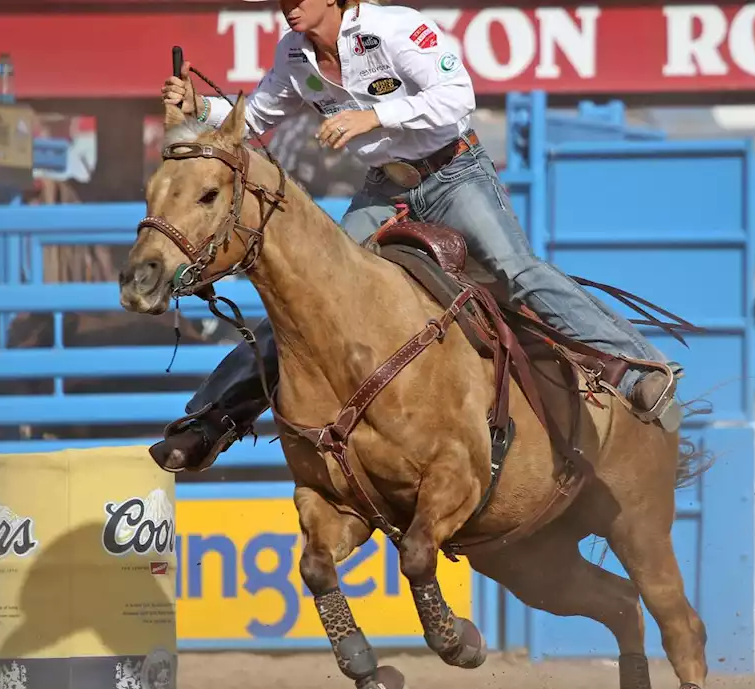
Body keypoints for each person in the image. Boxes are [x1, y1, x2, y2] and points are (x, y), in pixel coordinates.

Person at [154, 0, 680, 472]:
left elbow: (457, 96)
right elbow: (257, 116)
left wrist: (372, 117)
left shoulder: (395, 29)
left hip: (455, 172)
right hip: (386, 185)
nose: (287, 7)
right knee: (306, 295)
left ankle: (637, 371)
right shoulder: (294, 53)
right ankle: (213, 420)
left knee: (517, 270)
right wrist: (199, 110)